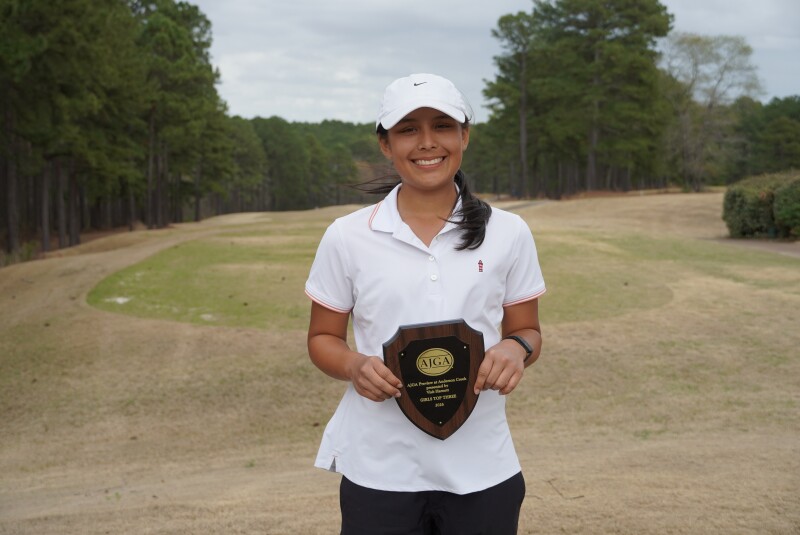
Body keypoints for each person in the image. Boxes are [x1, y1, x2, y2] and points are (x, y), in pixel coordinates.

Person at [305, 73, 546, 534]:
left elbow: (528, 331)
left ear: (464, 136)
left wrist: (516, 350)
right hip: (380, 473)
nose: (427, 142)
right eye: (408, 129)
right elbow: (322, 339)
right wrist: (354, 366)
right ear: (385, 144)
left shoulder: (509, 232)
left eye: (442, 125)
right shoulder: (347, 236)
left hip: (483, 469)